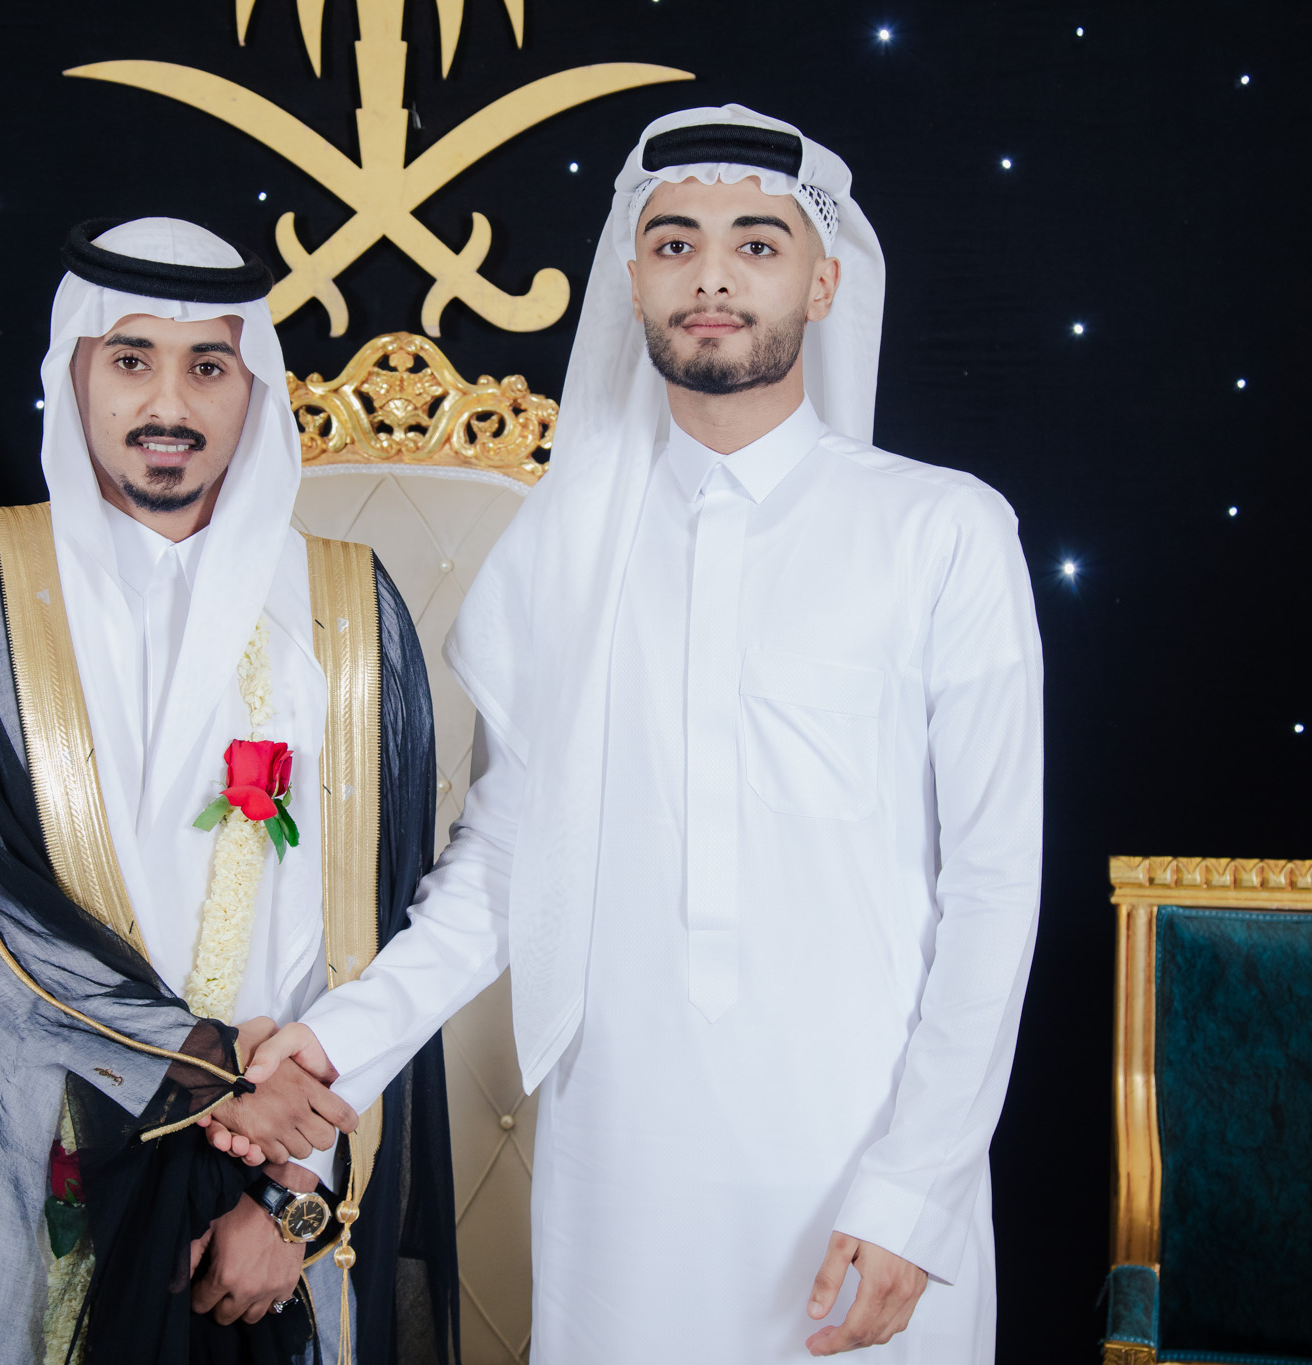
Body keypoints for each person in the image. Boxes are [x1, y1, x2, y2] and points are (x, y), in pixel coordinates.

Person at [243, 106, 1044, 1362]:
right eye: (674, 243)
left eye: (755, 244)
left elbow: (992, 891)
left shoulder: (941, 533)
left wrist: (916, 1187)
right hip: (621, 1169)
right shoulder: (563, 553)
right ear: (633, 278)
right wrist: (338, 1045)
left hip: (858, 1168)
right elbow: (505, 868)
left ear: (822, 283)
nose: (711, 275)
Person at [0, 217, 458, 1365]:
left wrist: (293, 1193)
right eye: (130, 359)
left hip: (267, 1191)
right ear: (75, 368)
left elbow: (369, 935)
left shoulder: (344, 607)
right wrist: (210, 1069)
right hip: (25, 1168)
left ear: (253, 384)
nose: (167, 402)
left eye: (207, 366)